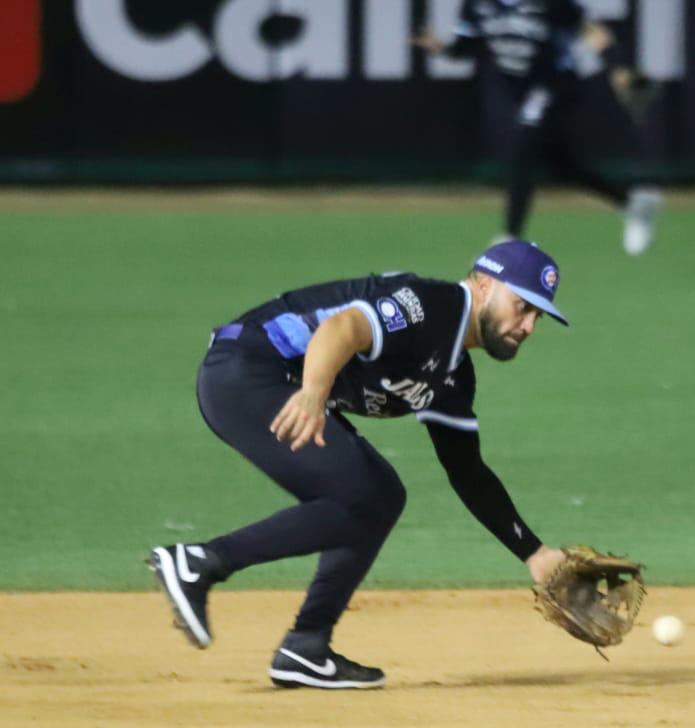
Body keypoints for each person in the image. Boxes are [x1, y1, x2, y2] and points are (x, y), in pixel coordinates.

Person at [148, 240, 573, 689]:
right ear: (484, 285)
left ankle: (306, 646)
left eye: (537, 316)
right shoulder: (433, 306)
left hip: (271, 382)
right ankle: (200, 563)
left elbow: (467, 472)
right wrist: (314, 392)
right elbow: (344, 327)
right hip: (248, 369)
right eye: (521, 306)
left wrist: (535, 554)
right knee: (363, 494)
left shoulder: (453, 374)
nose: (527, 326)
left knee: (381, 495)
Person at [414, 0, 662, 255]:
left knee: (525, 146)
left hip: (557, 85)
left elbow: (591, 31)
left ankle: (510, 237)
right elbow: (469, 45)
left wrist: (617, 67)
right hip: (521, 92)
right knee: (560, 165)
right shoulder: (477, 5)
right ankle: (632, 203)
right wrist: (442, 48)